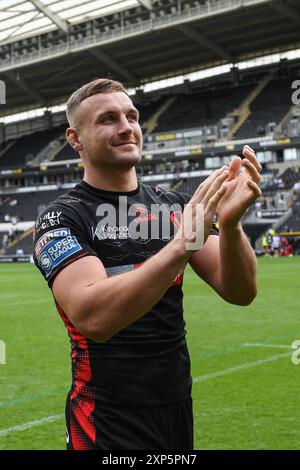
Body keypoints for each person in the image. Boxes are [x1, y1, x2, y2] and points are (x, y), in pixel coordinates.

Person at [33, 79, 262, 450]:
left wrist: (232, 226)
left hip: (175, 408)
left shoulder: (175, 206)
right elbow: (94, 318)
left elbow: (241, 291)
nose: (126, 127)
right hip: (104, 417)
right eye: (108, 119)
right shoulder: (61, 218)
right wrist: (182, 244)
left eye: (132, 116)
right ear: (74, 139)